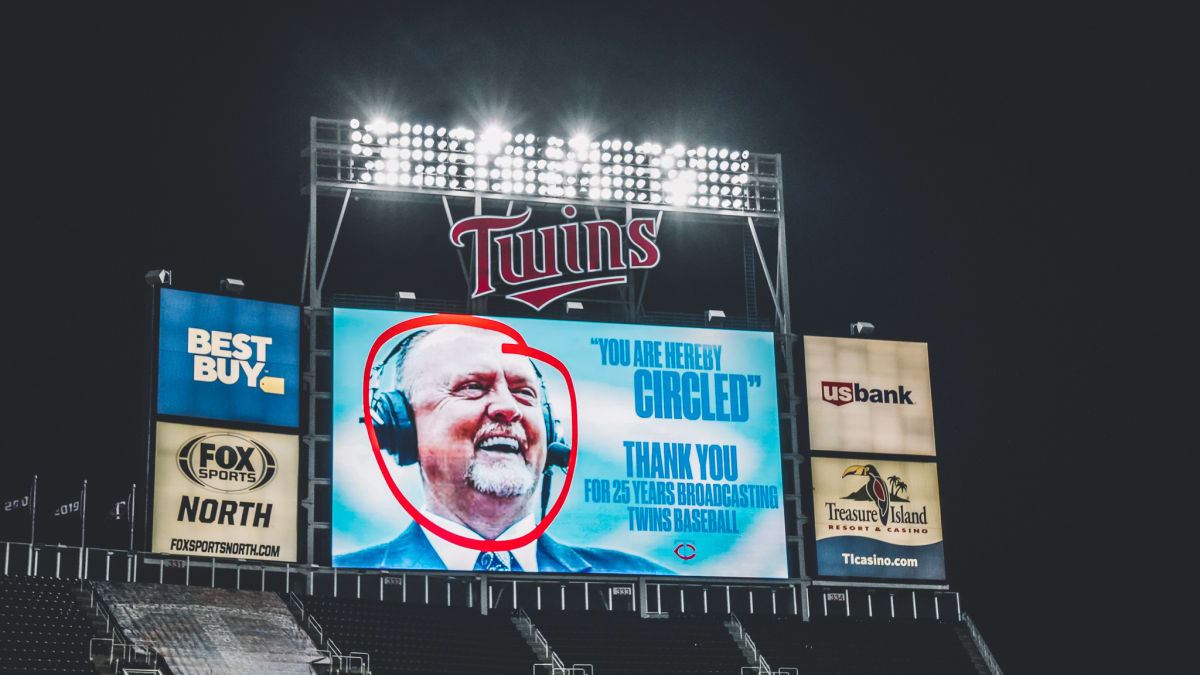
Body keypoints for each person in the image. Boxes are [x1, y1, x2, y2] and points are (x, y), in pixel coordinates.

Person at [335, 325, 672, 574]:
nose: (508, 408)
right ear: (401, 425)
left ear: (551, 429)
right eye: (472, 387)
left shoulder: (651, 579)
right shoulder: (344, 580)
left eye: (524, 392)